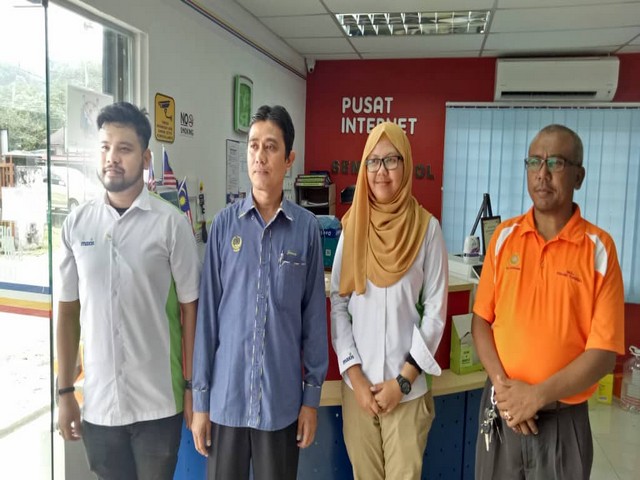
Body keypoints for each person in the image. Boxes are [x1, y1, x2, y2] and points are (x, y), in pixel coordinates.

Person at [56, 102, 201, 480]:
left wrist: (191, 388)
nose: (112, 158)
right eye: (105, 147)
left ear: (145, 158)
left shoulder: (171, 225)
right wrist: (65, 392)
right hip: (100, 404)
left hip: (158, 404)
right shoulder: (77, 225)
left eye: (124, 148)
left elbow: (191, 310)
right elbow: (68, 311)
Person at [472, 124, 625, 479]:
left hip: (561, 421)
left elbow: (603, 354)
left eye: (555, 162)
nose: (542, 173)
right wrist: (505, 390)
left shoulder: (599, 250)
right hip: (501, 408)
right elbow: (481, 321)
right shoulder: (504, 238)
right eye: (534, 162)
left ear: (578, 176)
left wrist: (536, 396)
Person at [191, 105, 328, 480]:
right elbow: (207, 321)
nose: (259, 156)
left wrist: (311, 400)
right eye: (253, 146)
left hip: (280, 405)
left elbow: (314, 321)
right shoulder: (224, 226)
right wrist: (200, 401)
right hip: (227, 402)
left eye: (270, 147)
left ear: (289, 159)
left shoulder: (306, 230)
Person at [331, 121, 448, 480]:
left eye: (391, 160)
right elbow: (338, 303)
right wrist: (355, 376)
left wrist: (403, 381)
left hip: (407, 395)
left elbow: (435, 314)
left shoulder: (427, 229)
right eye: (373, 161)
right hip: (359, 391)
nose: (381, 171)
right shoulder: (352, 228)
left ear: (406, 165)